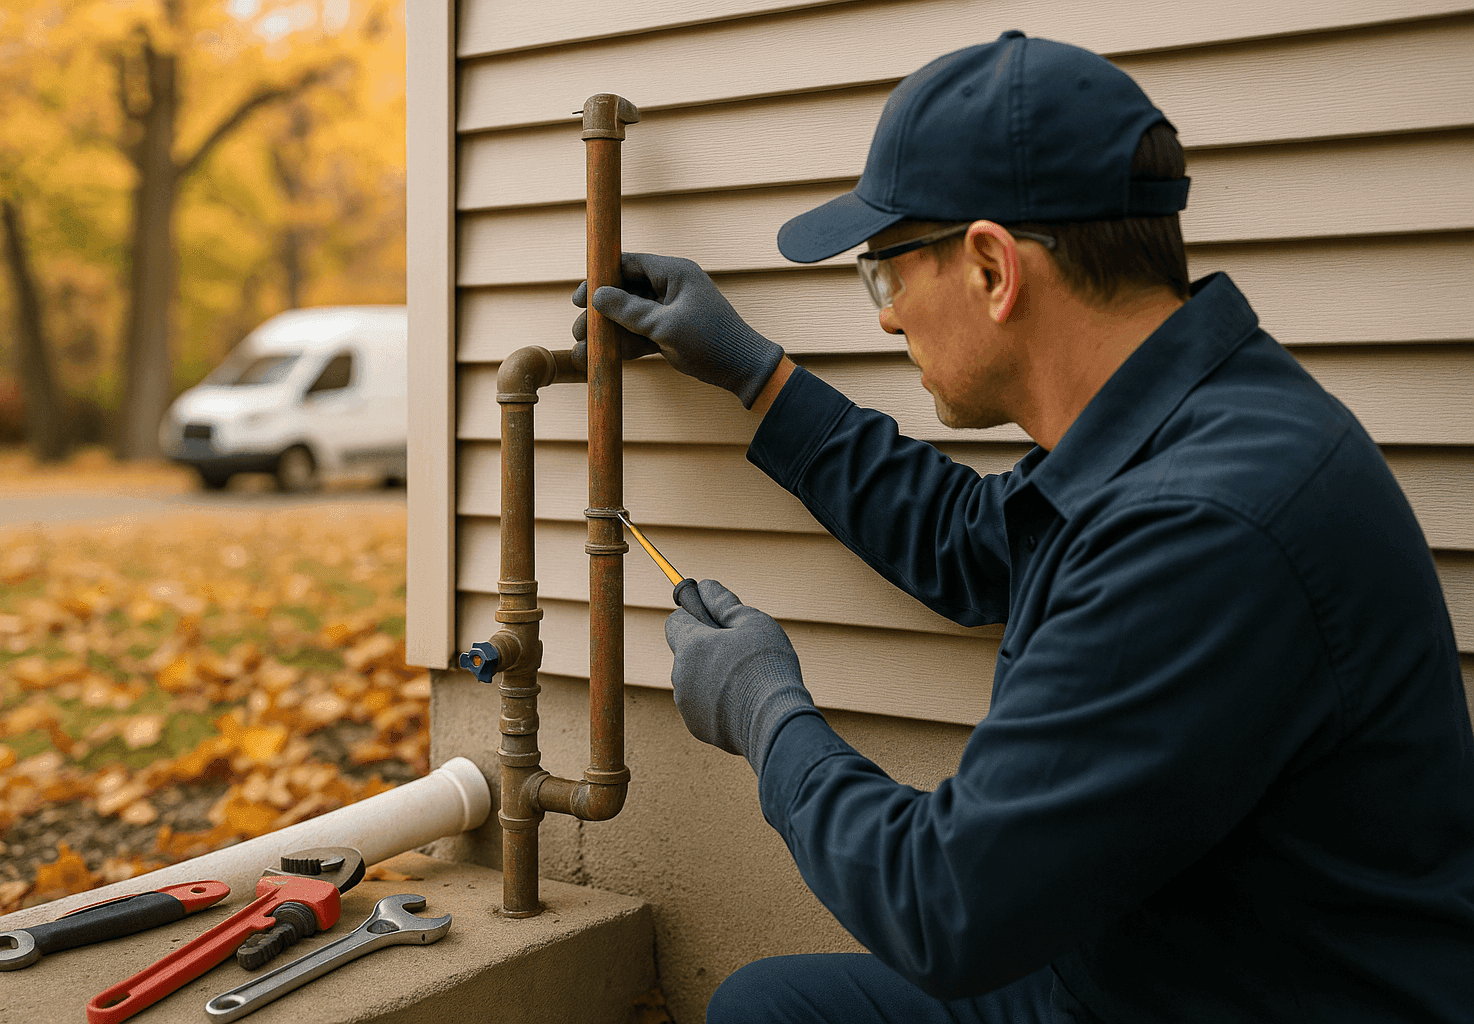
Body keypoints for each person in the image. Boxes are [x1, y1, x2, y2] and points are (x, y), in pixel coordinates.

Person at [572, 31, 1474, 1023]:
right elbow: (973, 538)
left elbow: (944, 905)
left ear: (994, 268)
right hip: (1149, 966)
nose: (885, 317)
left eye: (886, 272)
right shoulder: (1194, 422)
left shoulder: (1207, 530)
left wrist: (764, 709)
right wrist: (756, 375)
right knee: (768, 1005)